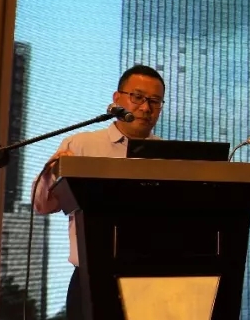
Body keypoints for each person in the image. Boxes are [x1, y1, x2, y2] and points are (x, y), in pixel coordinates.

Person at [32, 64, 166, 319]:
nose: (145, 107)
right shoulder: (81, 145)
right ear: (117, 99)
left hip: (150, 280)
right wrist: (50, 173)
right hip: (91, 278)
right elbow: (43, 206)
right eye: (137, 97)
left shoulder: (167, 155)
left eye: (155, 101)